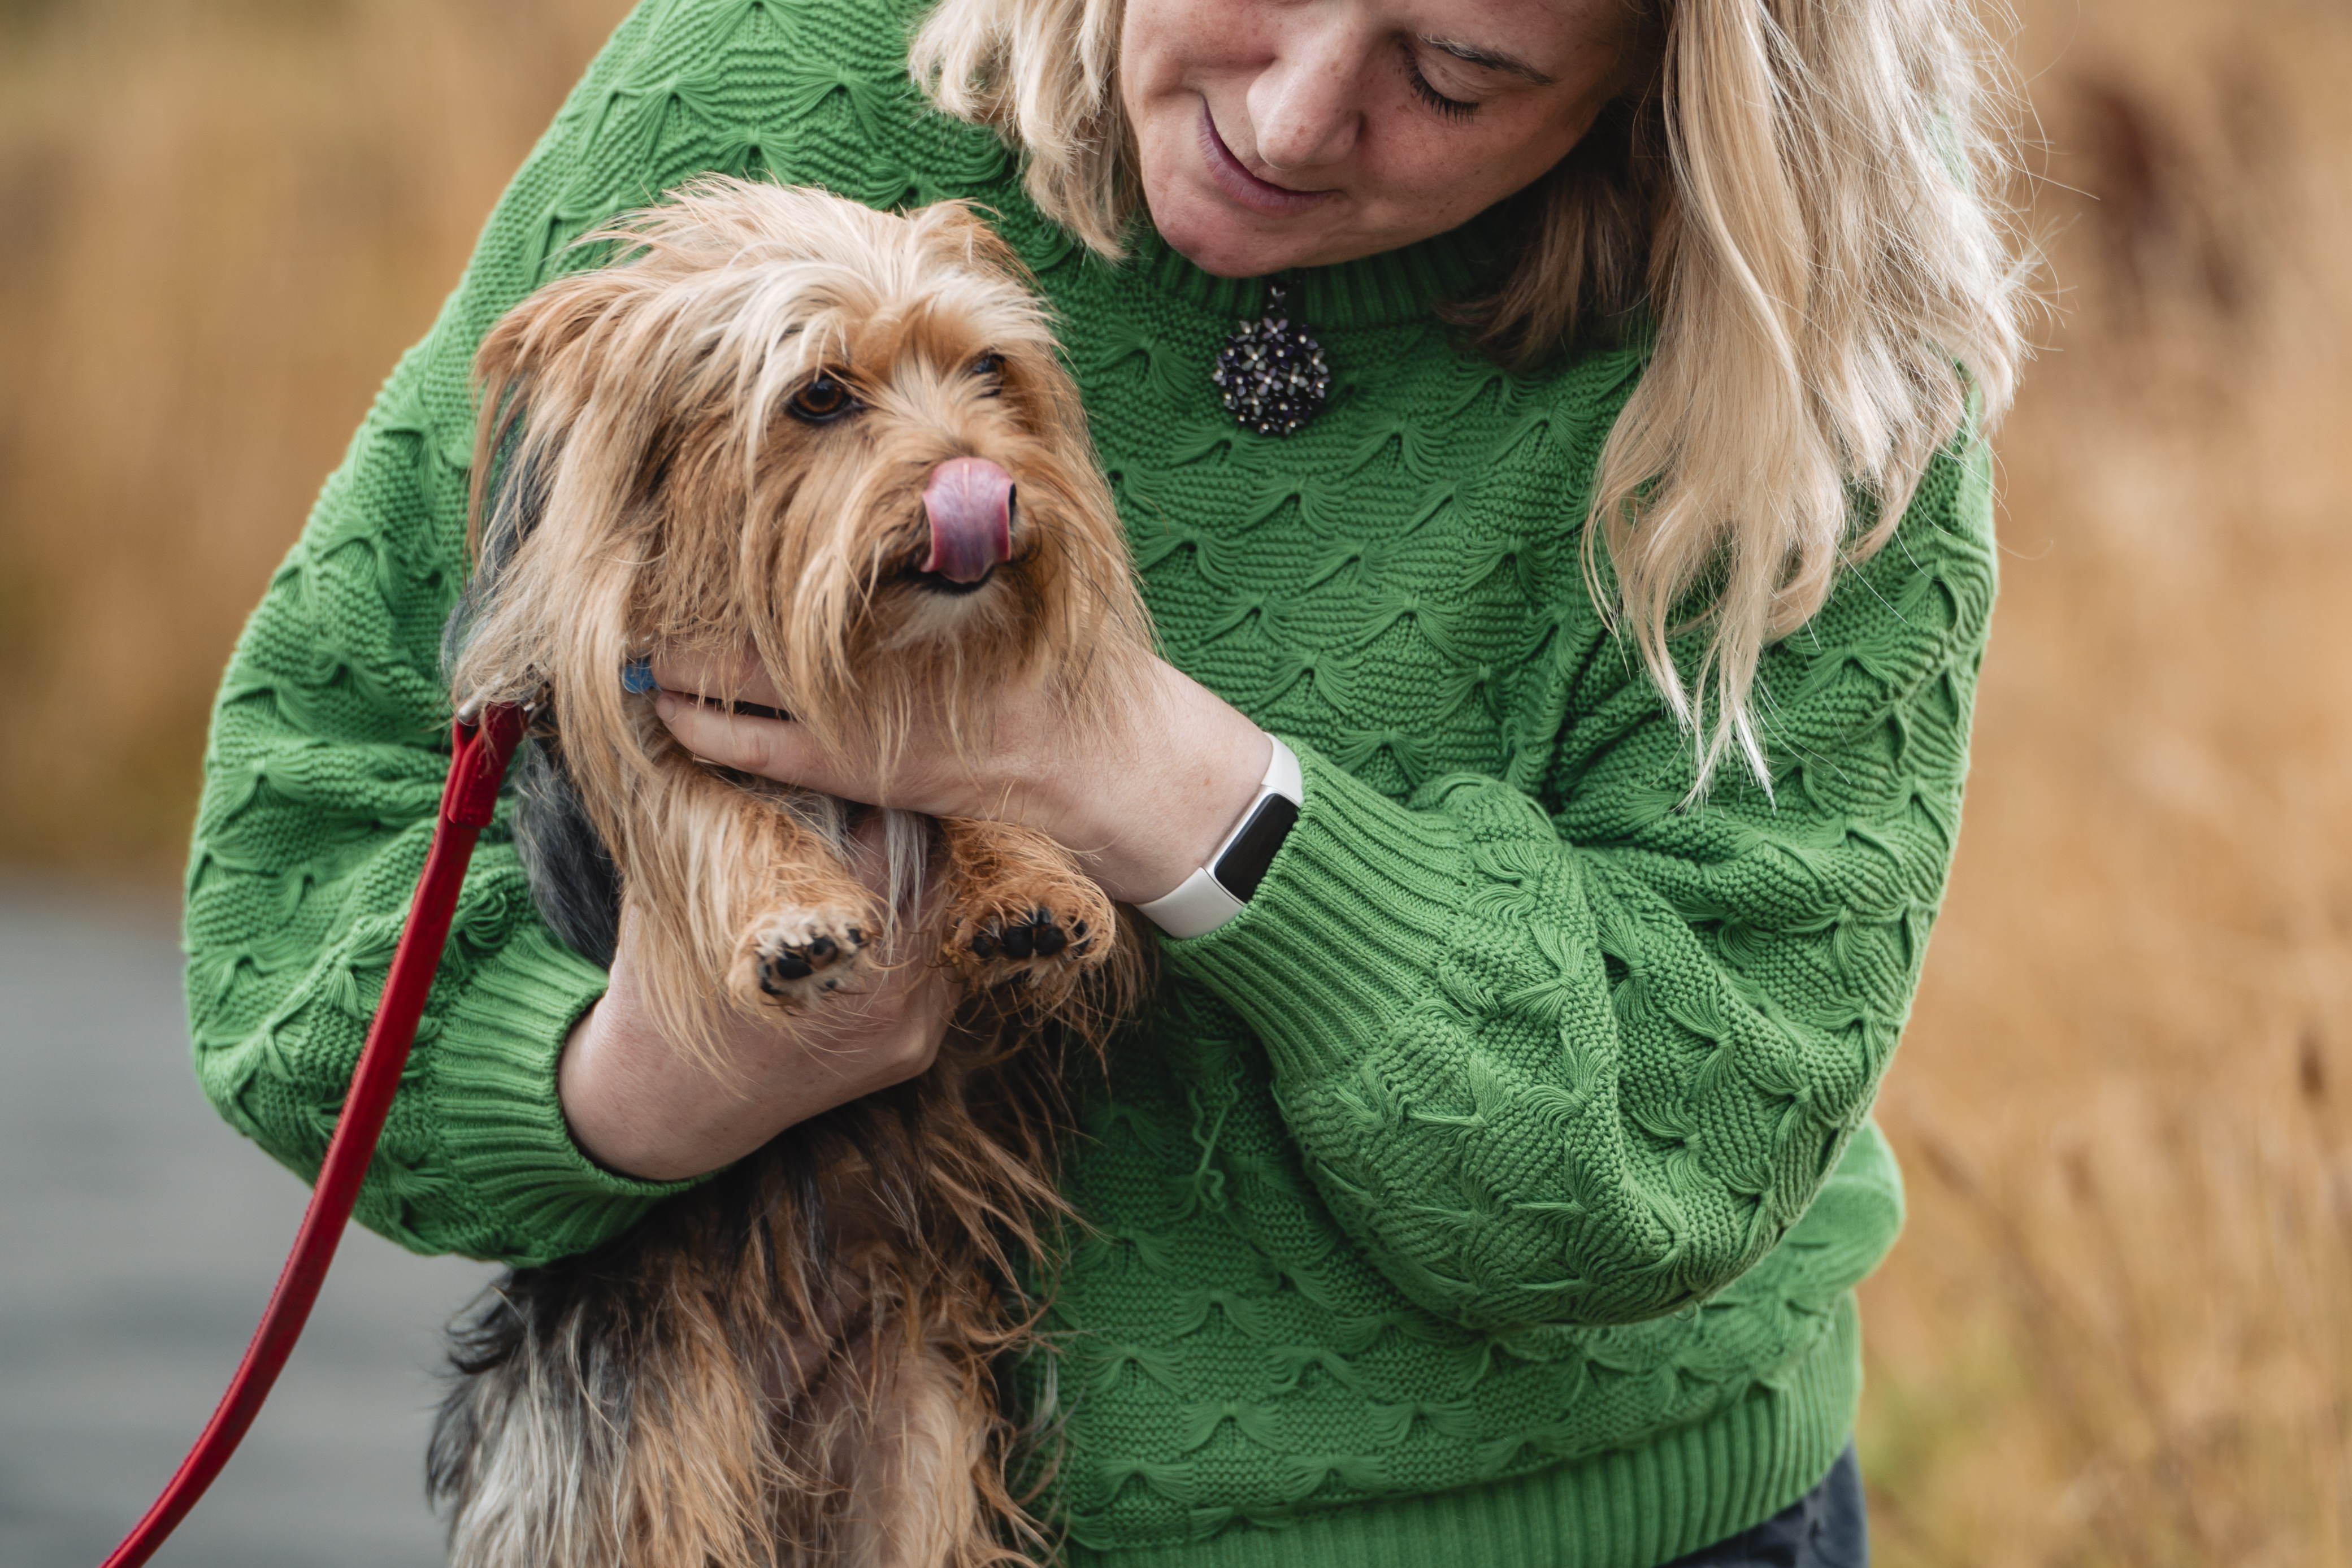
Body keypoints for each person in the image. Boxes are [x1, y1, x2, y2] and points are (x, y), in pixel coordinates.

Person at [184, 0, 2023, 1561]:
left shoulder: (1820, 308)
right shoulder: (767, 72)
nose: (1294, 115)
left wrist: (1143, 772)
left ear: (1664, 82)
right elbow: (303, 895)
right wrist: (652, 1079)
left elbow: (1674, 1146)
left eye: (1458, 74)